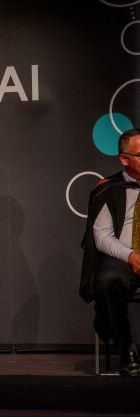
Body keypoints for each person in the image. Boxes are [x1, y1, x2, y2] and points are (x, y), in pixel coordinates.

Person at [80, 127, 140, 376]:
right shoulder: (108, 188)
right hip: (124, 257)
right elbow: (102, 236)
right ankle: (126, 349)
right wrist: (131, 256)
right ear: (124, 159)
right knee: (107, 280)